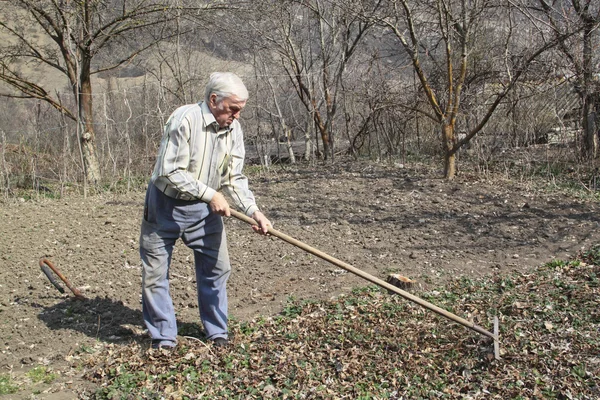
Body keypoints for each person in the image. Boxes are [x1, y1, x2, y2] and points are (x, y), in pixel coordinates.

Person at [139, 72, 272, 349]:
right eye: (233, 109)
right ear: (214, 100)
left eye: (240, 110)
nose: (236, 116)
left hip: (204, 209)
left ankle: (217, 332)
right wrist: (210, 193)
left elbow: (234, 178)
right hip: (165, 204)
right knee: (155, 274)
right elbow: (169, 171)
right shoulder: (185, 119)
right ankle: (164, 337)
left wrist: (253, 210)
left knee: (217, 269)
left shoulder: (233, 129)